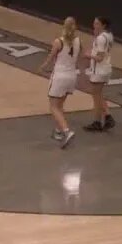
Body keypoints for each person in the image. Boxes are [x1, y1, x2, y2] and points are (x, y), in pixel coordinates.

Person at [38, 16, 81, 149]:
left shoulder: (59, 41)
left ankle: (66, 131)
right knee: (61, 104)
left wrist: (42, 67)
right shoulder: (78, 41)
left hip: (60, 76)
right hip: (72, 75)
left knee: (53, 106)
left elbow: (50, 58)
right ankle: (57, 131)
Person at [83, 16, 115, 132]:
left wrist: (88, 55)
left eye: (97, 24)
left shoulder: (101, 38)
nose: (94, 25)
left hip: (99, 70)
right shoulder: (109, 36)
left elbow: (100, 58)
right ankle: (107, 116)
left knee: (96, 97)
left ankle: (97, 121)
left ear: (103, 25)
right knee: (98, 94)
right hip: (106, 68)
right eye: (94, 23)